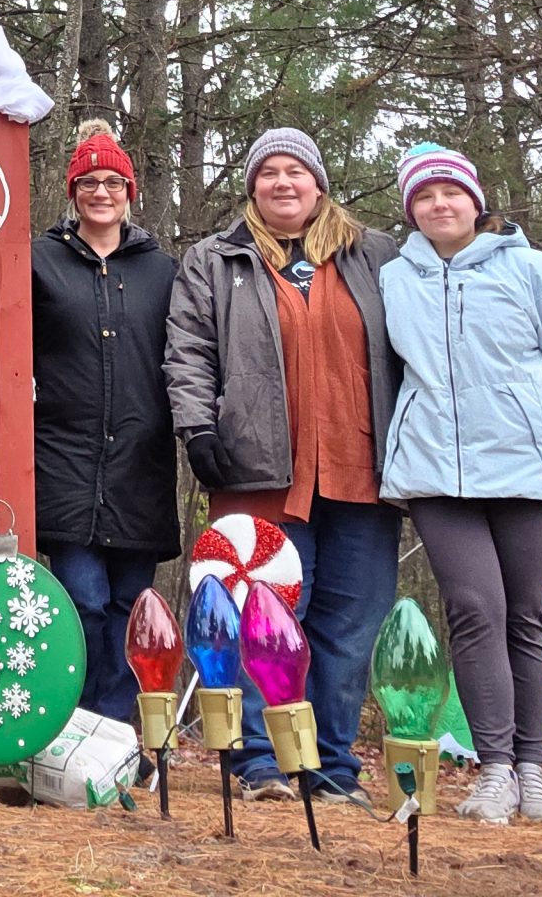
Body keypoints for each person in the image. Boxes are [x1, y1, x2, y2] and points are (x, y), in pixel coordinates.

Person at [164, 126, 403, 805]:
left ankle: (331, 764)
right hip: (258, 470)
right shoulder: (216, 259)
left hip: (362, 470)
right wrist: (198, 428)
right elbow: (186, 352)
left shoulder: (373, 254)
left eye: (295, 170)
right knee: (263, 618)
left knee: (349, 624)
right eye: (267, 172)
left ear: (319, 183)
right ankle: (262, 760)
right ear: (251, 187)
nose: (282, 183)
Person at [379, 143, 542, 827]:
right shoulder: (393, 278)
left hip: (529, 474)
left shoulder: (527, 267)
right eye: (425, 195)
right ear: (411, 209)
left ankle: (534, 774)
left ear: (475, 202)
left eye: (451, 192)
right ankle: (494, 771)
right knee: (475, 610)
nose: (439, 204)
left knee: (524, 619)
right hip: (437, 475)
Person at [31, 124, 178, 728]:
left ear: (129, 191)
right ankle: (71, 725)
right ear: (73, 191)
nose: (100, 192)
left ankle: (116, 732)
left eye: (112, 182)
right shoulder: (40, 261)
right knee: (81, 601)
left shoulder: (162, 271)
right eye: (88, 182)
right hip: (62, 459)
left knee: (129, 606)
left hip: (139, 465)